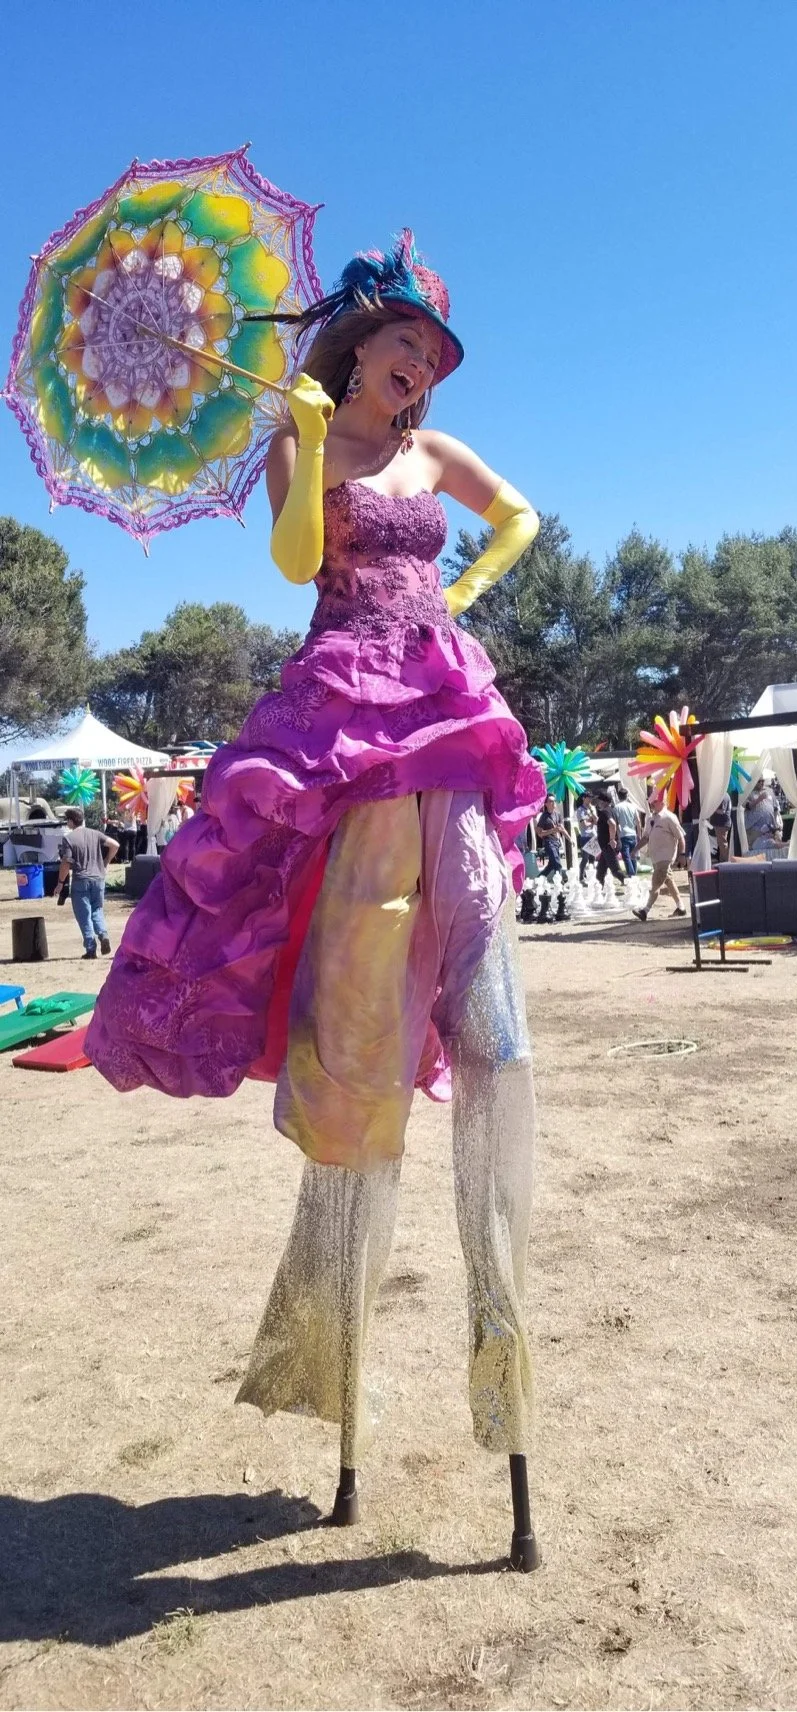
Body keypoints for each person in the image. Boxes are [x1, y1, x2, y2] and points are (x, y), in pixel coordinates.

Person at [86, 231, 546, 1555]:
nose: (423, 370)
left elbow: (516, 514)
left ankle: (505, 1371)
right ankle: (335, 1384)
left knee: (496, 1040)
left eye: (435, 356)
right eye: (407, 347)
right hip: (344, 733)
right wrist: (296, 437)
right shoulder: (306, 442)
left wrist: (460, 586)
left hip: (446, 725)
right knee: (354, 1075)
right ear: (358, 349)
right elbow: (297, 567)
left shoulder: (432, 459)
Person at [57, 807, 119, 959]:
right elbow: (115, 845)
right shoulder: (95, 833)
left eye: (67, 820)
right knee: (97, 909)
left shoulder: (69, 838)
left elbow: (66, 862)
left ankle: (91, 948)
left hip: (81, 880)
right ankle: (103, 934)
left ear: (71, 821)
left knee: (84, 915)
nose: (67, 823)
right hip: (98, 879)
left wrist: (60, 882)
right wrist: (106, 861)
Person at [632, 798, 687, 921]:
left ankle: (645, 910)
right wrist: (635, 850)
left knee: (655, 884)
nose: (652, 803)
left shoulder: (669, 817)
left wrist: (682, 854)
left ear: (663, 802)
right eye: (651, 800)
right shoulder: (650, 818)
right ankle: (681, 907)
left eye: (655, 801)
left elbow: (680, 837)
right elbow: (645, 837)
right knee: (668, 881)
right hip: (656, 858)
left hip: (665, 857)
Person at [595, 791, 624, 886]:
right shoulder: (612, 810)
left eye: (599, 800)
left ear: (604, 801)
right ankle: (599, 888)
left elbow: (612, 824)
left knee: (615, 870)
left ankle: (631, 885)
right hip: (606, 847)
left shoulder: (605, 811)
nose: (598, 803)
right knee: (600, 870)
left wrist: (612, 839)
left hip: (609, 846)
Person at [535, 792, 567, 876]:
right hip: (548, 842)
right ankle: (560, 884)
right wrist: (552, 830)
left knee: (551, 865)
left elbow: (562, 829)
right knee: (557, 863)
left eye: (554, 801)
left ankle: (538, 880)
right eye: (551, 801)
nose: (553, 803)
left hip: (556, 842)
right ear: (546, 804)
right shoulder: (544, 816)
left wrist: (570, 839)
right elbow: (539, 833)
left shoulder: (558, 815)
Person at [614, 786, 640, 875]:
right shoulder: (633, 806)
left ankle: (631, 874)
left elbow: (616, 824)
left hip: (623, 834)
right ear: (627, 796)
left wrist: (617, 837)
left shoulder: (616, 808)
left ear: (618, 796)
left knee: (626, 857)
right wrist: (639, 835)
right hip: (633, 833)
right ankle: (634, 874)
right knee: (633, 855)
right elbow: (638, 821)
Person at [576, 793, 599, 881]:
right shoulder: (580, 810)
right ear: (583, 798)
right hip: (585, 836)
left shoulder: (592, 808)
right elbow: (584, 824)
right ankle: (581, 876)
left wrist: (592, 813)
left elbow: (597, 820)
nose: (590, 800)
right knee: (585, 858)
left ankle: (592, 876)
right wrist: (592, 821)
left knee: (592, 857)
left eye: (591, 798)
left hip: (593, 835)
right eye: (588, 798)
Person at [709, 793, 732, 863]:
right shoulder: (724, 795)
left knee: (722, 844)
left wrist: (711, 809)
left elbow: (722, 811)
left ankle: (725, 861)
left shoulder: (723, 795)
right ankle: (722, 861)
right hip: (721, 824)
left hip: (722, 824)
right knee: (721, 843)